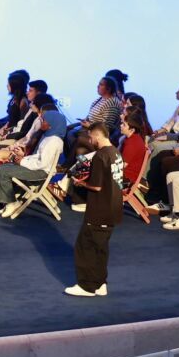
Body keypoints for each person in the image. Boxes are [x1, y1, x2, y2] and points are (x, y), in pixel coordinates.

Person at [65, 124, 121, 296]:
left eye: (90, 138)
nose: (90, 141)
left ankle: (87, 286)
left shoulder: (100, 156)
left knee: (85, 247)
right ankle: (100, 283)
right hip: (113, 209)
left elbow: (96, 187)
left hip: (99, 210)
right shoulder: (116, 153)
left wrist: (81, 183)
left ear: (96, 137)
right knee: (101, 248)